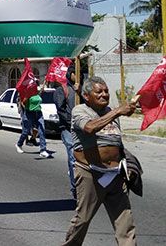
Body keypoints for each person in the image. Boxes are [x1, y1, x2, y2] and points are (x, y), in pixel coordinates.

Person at [62, 77, 137, 245]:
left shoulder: (109, 111)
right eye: (99, 92)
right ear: (87, 96)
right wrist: (117, 111)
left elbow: (117, 142)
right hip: (91, 174)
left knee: (125, 223)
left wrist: (127, 164)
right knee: (82, 220)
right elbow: (89, 128)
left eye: (106, 91)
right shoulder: (80, 111)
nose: (104, 94)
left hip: (116, 176)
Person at [53, 64, 78, 200]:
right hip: (68, 128)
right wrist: (71, 121)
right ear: (70, 74)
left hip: (82, 129)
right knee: (73, 157)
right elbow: (60, 110)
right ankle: (75, 188)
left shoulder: (81, 89)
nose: (78, 76)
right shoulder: (61, 90)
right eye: (75, 73)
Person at [15, 81, 51, 158]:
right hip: (29, 113)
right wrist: (26, 99)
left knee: (42, 130)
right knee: (26, 131)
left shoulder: (37, 92)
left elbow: (40, 96)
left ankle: (43, 150)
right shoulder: (27, 93)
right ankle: (19, 144)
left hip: (38, 113)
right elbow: (23, 103)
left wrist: (42, 88)